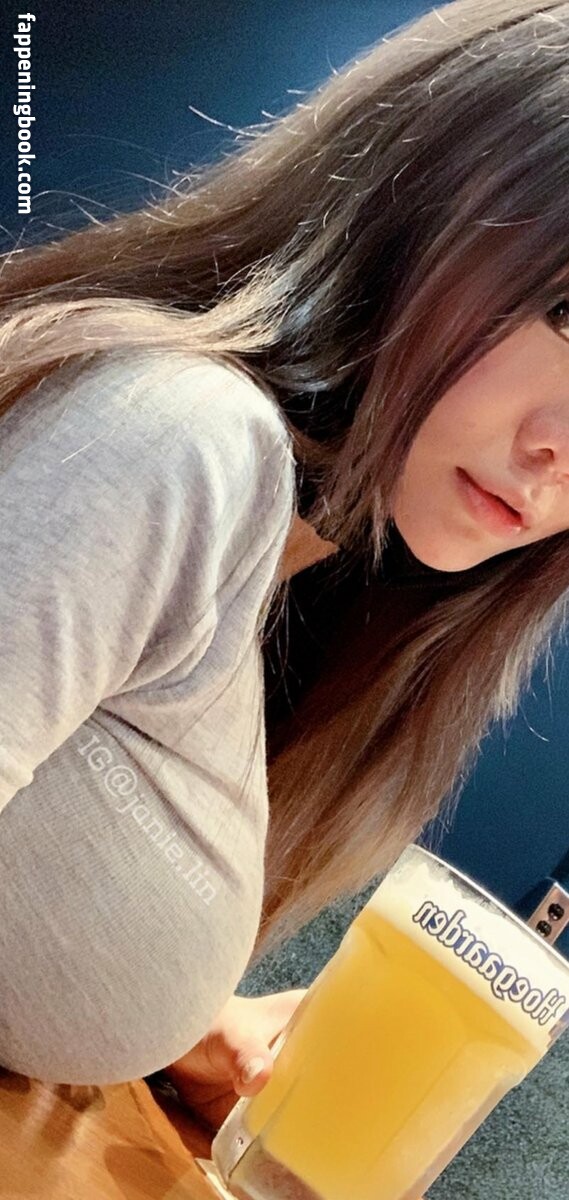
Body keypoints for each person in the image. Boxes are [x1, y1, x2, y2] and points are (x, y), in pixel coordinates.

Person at [1, 0, 569, 1135]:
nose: (560, 453)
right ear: (425, 191)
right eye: (568, 314)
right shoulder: (184, 438)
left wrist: (185, 1023)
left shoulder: (308, 579)